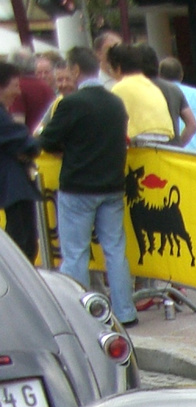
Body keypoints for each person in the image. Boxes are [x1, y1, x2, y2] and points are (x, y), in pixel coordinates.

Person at [36, 48, 137, 325]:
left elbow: (47, 140)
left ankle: (78, 313)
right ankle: (125, 312)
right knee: (115, 249)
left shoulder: (71, 103)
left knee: (75, 253)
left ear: (76, 71)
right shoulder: (116, 103)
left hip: (78, 186)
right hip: (112, 186)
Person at [0, 62, 41, 261]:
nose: (18, 92)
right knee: (22, 241)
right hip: (13, 186)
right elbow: (26, 143)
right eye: (15, 86)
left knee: (25, 240)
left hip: (14, 186)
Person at [106, 43, 176, 142]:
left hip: (139, 136)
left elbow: (113, 122)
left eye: (110, 69)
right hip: (165, 133)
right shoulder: (151, 85)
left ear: (118, 68)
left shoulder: (119, 87)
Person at [139, 44, 196, 146]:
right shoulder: (174, 89)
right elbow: (192, 125)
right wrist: (179, 146)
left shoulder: (132, 89)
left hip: (143, 153)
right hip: (172, 152)